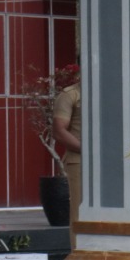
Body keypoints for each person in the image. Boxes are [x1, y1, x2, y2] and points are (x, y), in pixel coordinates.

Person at [51, 82, 82, 228]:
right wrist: (88, 151)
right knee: (80, 211)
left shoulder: (109, 92)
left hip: (110, 161)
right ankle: (78, 250)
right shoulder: (70, 94)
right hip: (79, 161)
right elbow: (59, 131)